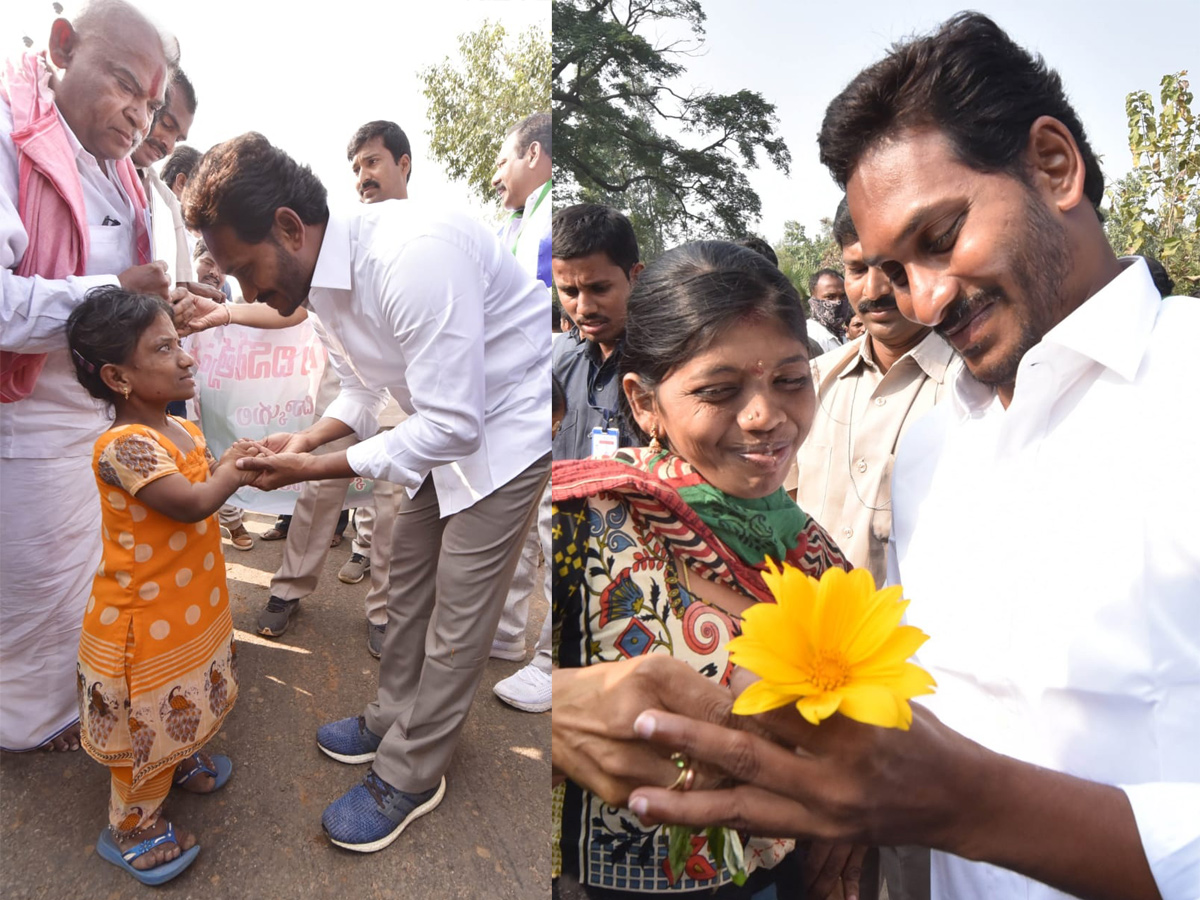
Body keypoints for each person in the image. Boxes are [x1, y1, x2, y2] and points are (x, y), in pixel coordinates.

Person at [622, 13, 1199, 900]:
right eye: (891, 270)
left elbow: (950, 790)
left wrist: (965, 805)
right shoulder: (935, 438)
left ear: (1055, 166)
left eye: (940, 239)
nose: (924, 300)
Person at [183, 132, 551, 852]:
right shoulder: (319, 279)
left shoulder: (412, 255)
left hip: (508, 431)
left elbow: (456, 421)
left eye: (248, 270)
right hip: (441, 426)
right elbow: (360, 386)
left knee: (458, 615)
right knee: (407, 578)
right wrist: (305, 441)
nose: (251, 295)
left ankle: (415, 771)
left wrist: (314, 470)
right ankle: (393, 716)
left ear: (290, 227)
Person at [552, 240, 857, 898]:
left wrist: (853, 811)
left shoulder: (815, 557)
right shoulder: (581, 523)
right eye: (719, 391)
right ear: (643, 403)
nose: (765, 416)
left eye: (790, 380)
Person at [0, 0, 176, 753]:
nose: (138, 116)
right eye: (125, 86)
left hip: (98, 415)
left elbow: (128, 290)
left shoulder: (120, 174)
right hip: (30, 413)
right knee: (34, 582)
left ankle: (63, 708)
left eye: (152, 104)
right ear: (64, 47)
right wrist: (116, 296)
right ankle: (24, 729)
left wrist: (167, 312)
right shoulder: (12, 138)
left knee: (84, 573)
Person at [66, 287, 250, 884]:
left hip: (190, 609)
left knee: (182, 700)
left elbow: (203, 479)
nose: (187, 357)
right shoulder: (123, 447)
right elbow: (193, 504)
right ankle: (131, 826)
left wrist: (229, 462)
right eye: (165, 348)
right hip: (141, 626)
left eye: (180, 342)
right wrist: (235, 469)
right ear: (119, 377)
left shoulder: (178, 429)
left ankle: (177, 756)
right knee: (144, 725)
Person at [796, 198, 959, 587]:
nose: (874, 288)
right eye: (856, 268)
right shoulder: (810, 383)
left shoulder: (971, 392)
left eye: (891, 267)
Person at [131, 67, 196, 287]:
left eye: (177, 139)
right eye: (167, 125)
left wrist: (184, 290)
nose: (168, 146)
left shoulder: (164, 202)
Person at [806, 268, 849, 351]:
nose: (838, 302)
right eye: (830, 297)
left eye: (843, 296)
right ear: (813, 299)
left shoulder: (841, 334)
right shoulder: (811, 336)